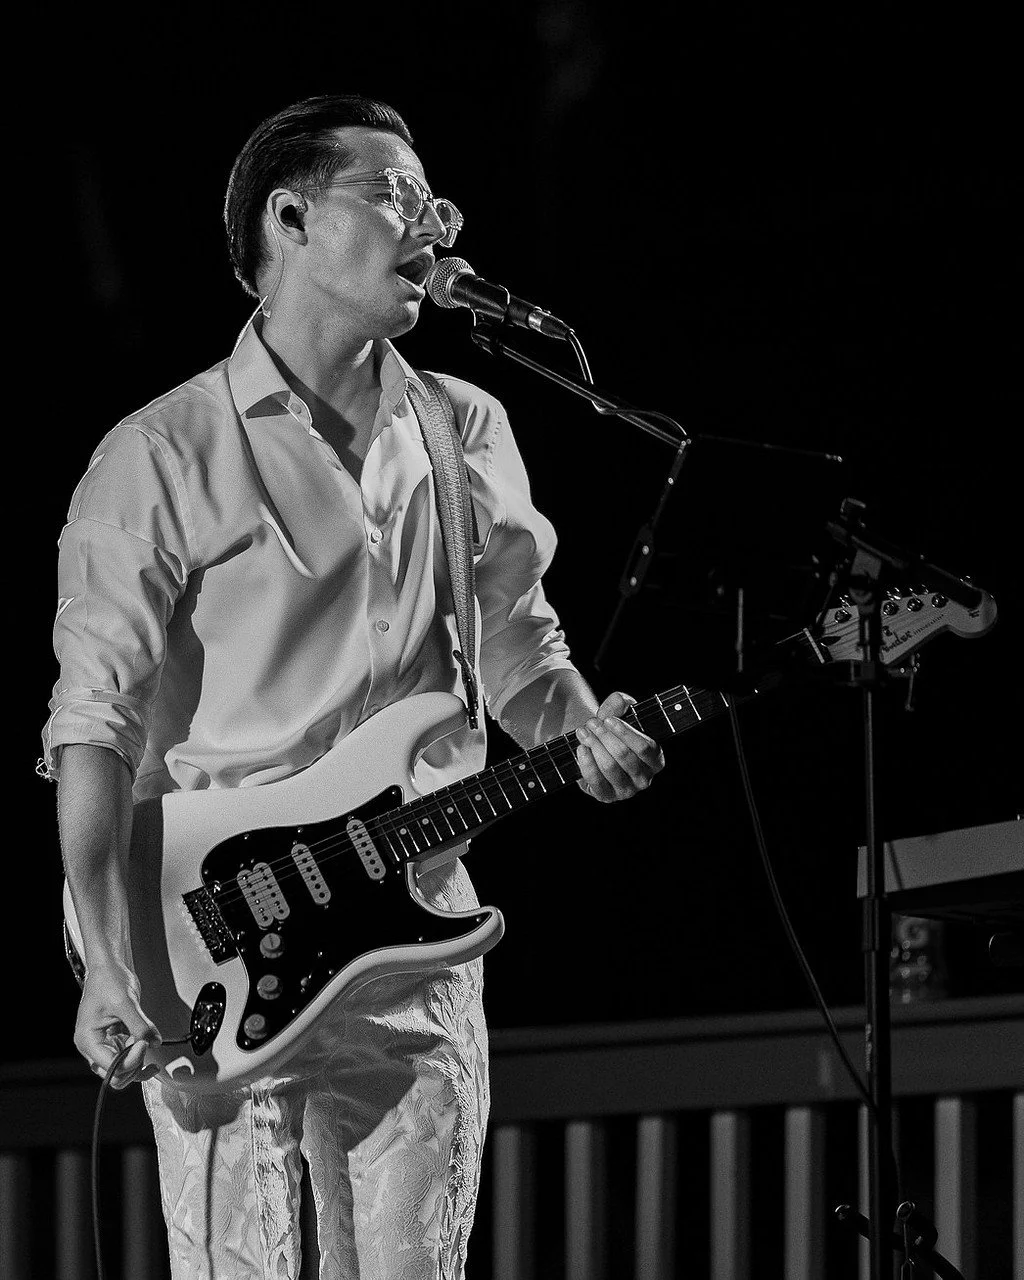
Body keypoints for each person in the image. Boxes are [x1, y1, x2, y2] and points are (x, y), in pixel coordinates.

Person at [42, 94, 665, 1279]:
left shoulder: (464, 426)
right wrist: (111, 967)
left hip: (412, 932)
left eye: (429, 196)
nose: (434, 218)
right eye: (390, 191)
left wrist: (585, 731)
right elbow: (94, 727)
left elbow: (520, 648)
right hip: (214, 938)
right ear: (289, 217)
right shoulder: (160, 453)